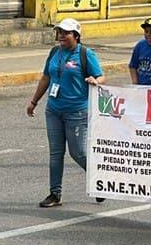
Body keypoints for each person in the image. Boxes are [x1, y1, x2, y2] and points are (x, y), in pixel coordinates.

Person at [26, 18, 105, 208]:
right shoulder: (54, 52)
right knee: (55, 153)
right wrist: (34, 101)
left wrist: (96, 81)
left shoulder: (85, 54)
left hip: (77, 111)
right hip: (53, 110)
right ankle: (55, 193)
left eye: (66, 32)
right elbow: (46, 77)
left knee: (77, 152)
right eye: (59, 32)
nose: (61, 36)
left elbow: (101, 76)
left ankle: (100, 180)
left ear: (76, 36)